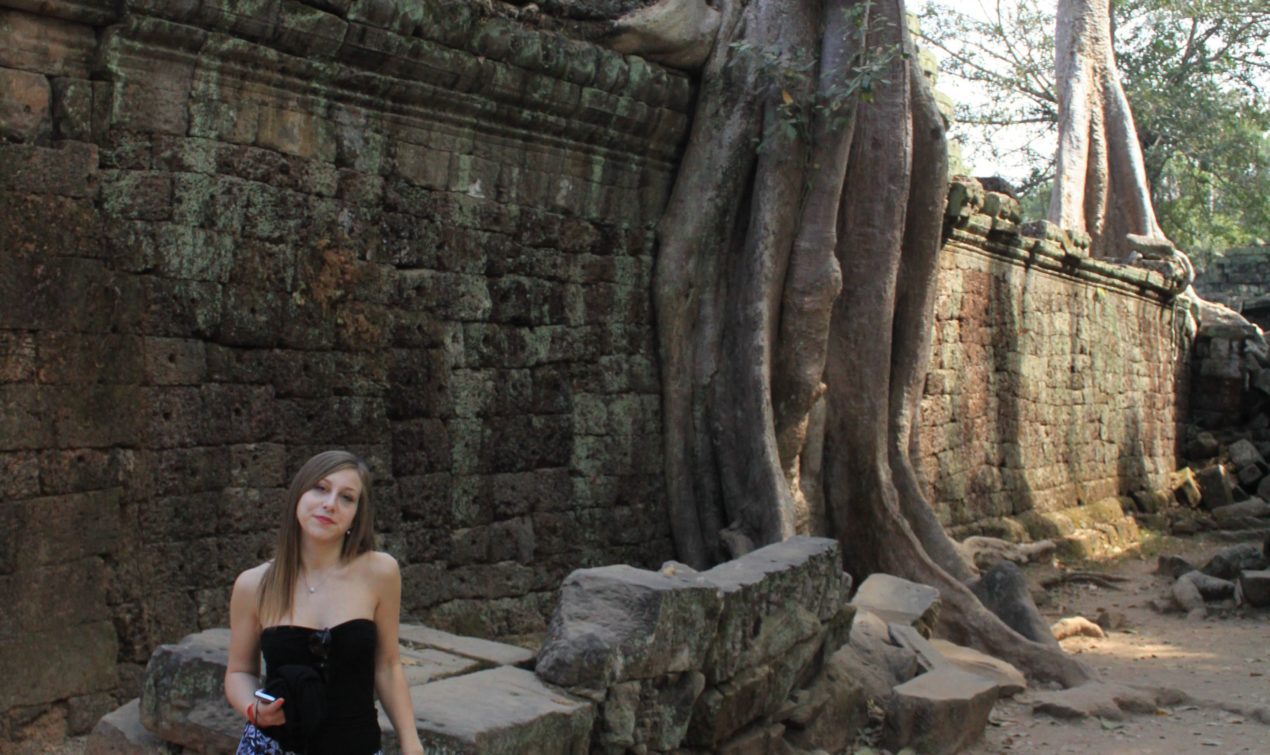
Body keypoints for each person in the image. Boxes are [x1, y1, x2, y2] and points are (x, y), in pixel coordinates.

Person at [224, 450, 425, 755]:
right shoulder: (254, 585)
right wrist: (254, 709)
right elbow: (239, 671)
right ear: (298, 496)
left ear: (357, 514)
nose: (330, 504)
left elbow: (387, 666)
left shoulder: (380, 572)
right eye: (320, 488)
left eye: (347, 497)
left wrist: (412, 745)